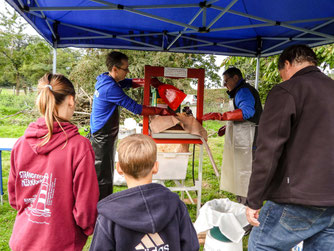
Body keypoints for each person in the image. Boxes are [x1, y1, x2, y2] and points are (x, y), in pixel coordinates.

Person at [246, 44, 334, 250]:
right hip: (331, 199)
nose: (284, 78)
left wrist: (254, 200)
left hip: (298, 197)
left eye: (282, 73)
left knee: (261, 245)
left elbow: (268, 149)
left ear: (287, 64)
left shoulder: (287, 90)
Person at [8, 73, 99, 251]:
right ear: (71, 100)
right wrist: (88, 228)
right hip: (60, 243)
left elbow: (14, 199)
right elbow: (85, 209)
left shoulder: (20, 144)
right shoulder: (79, 147)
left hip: (22, 240)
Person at [89, 134, 199, 251]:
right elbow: (191, 246)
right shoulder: (177, 207)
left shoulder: (109, 217)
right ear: (156, 167)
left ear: (119, 168)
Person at [89, 51, 174, 200]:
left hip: (104, 133)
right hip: (101, 136)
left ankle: (104, 204)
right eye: (125, 69)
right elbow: (135, 108)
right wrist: (161, 111)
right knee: (102, 177)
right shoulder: (110, 88)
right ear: (115, 69)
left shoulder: (106, 79)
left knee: (105, 172)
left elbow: (128, 83)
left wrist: (148, 81)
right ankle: (101, 209)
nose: (127, 72)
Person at [202, 67, 262, 204]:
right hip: (243, 139)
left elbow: (247, 112)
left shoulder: (244, 91)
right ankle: (242, 205)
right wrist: (227, 126)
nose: (225, 85)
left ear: (236, 78)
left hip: (250, 140)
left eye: (226, 81)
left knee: (246, 174)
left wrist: (220, 116)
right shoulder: (238, 92)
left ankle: (248, 211)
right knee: (240, 172)